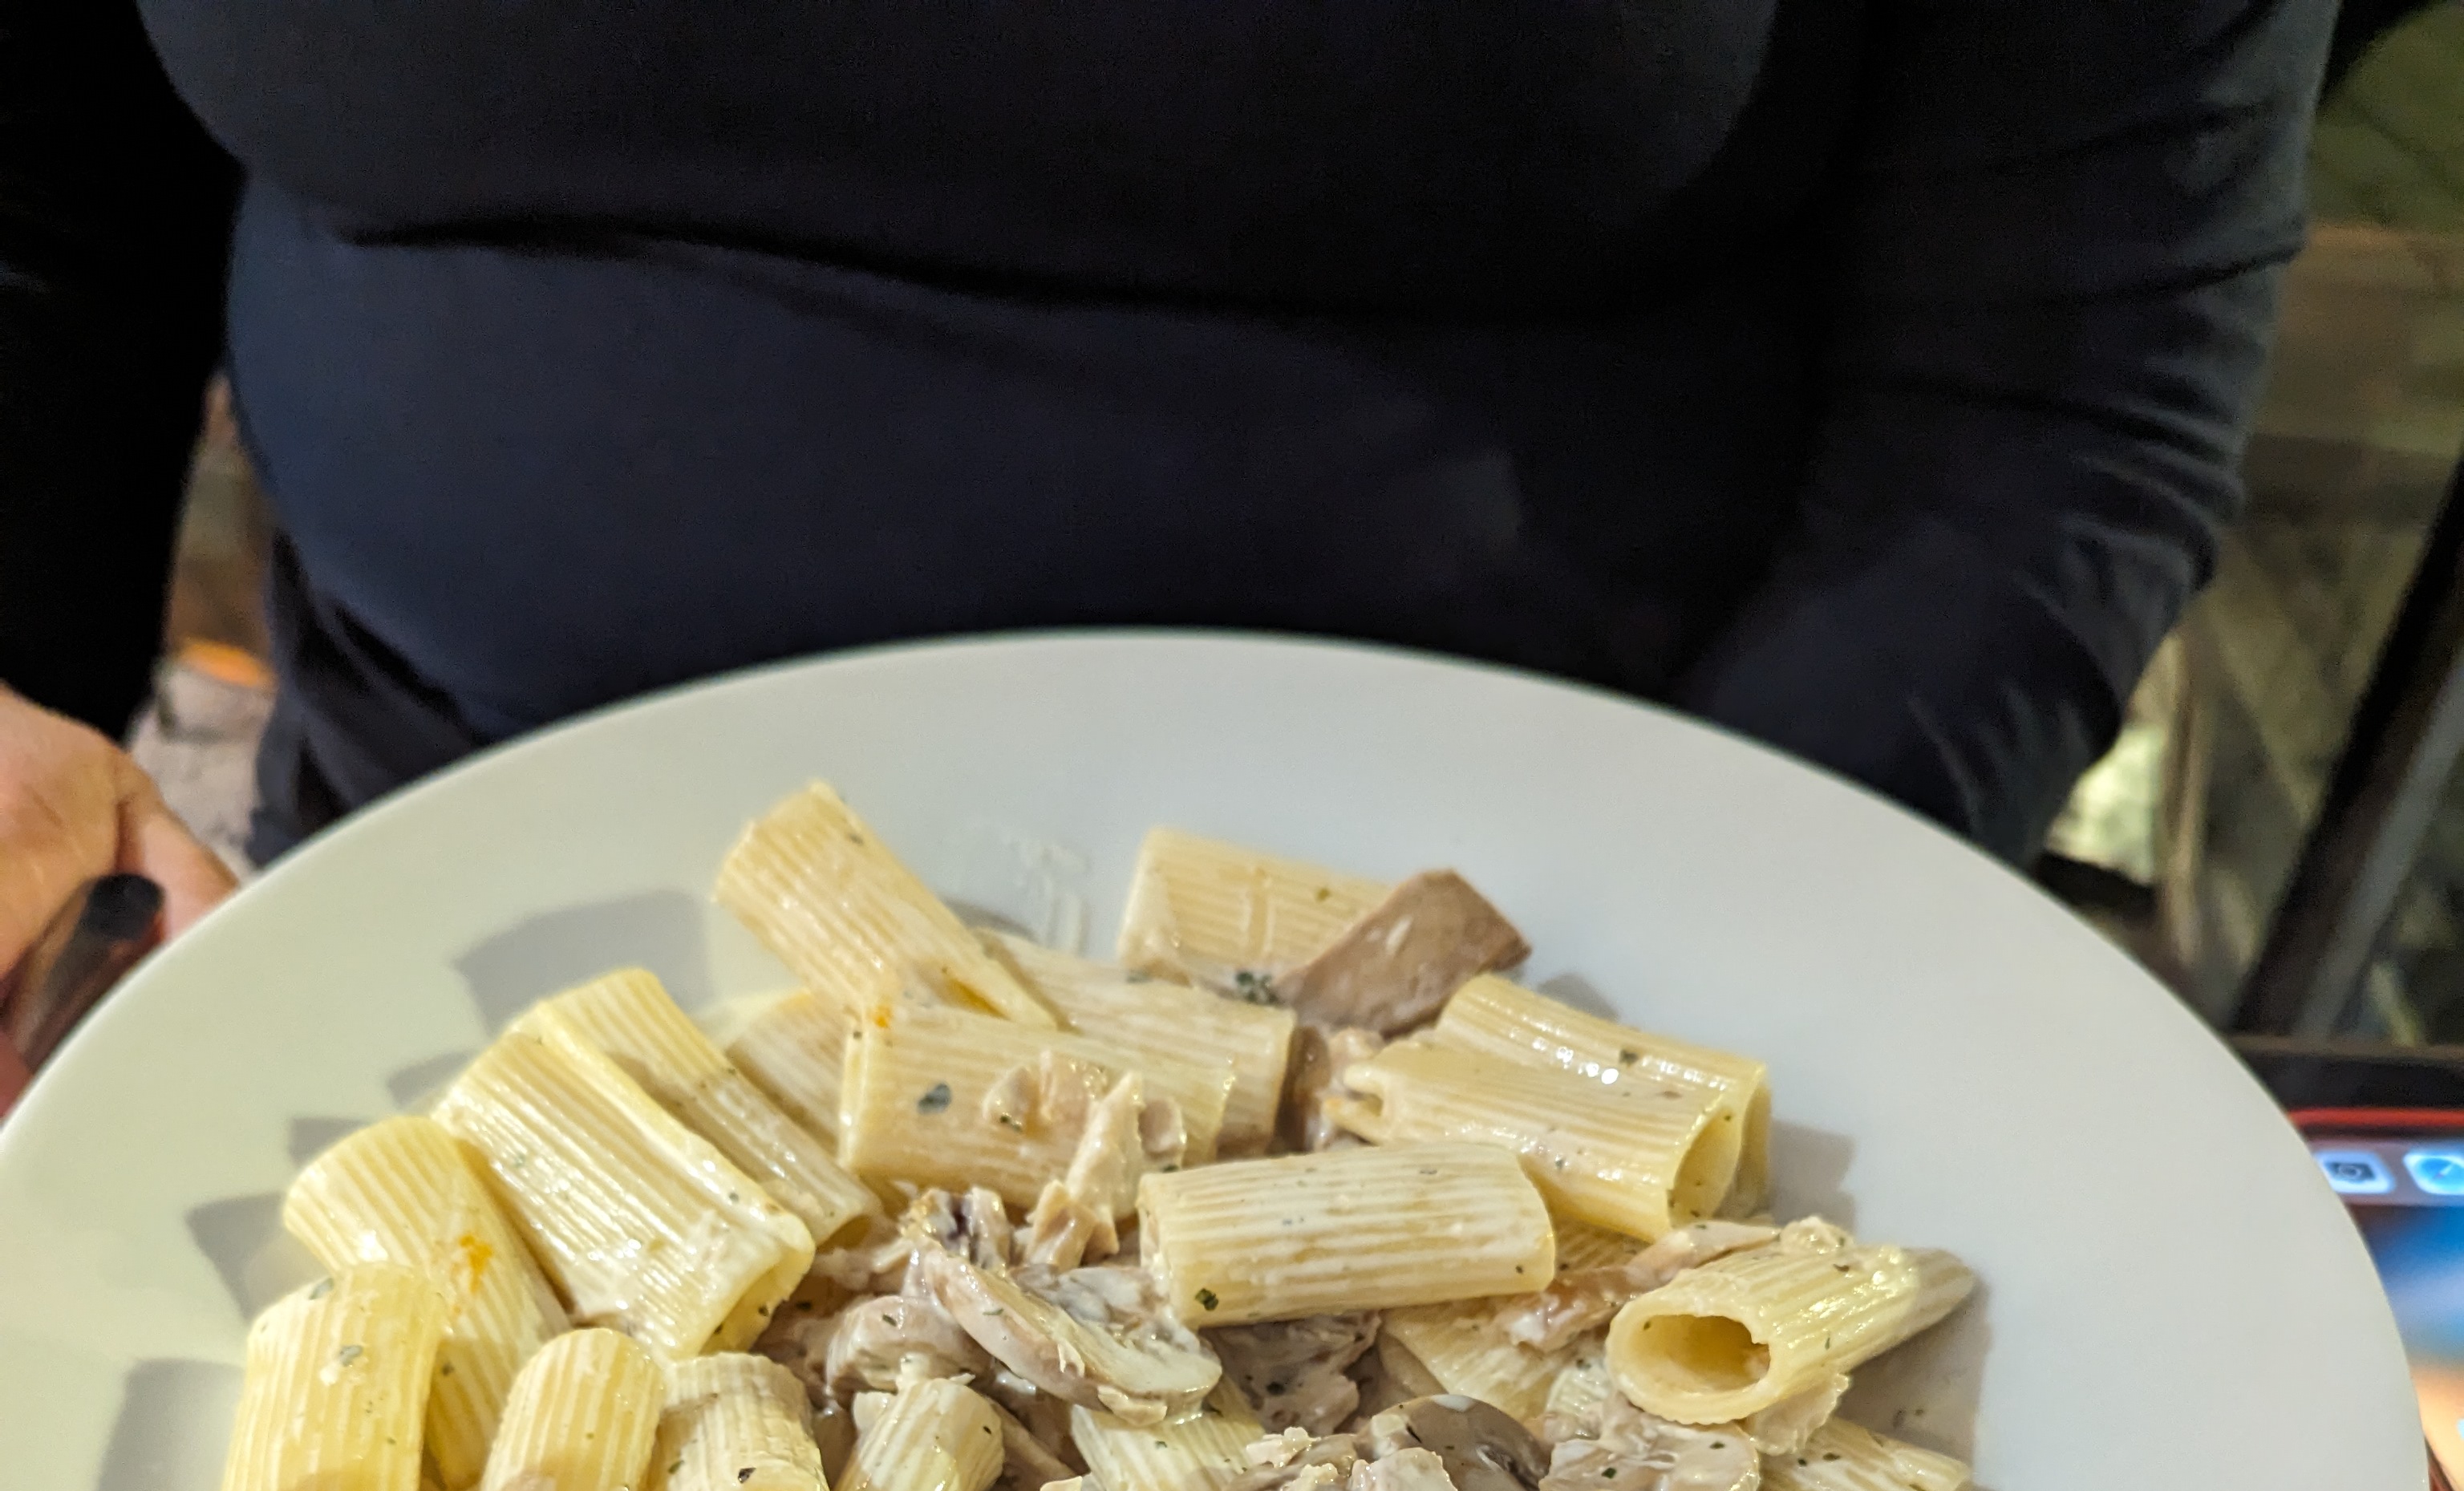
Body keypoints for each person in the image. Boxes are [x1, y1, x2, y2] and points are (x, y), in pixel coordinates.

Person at [0, 0, 2335, 988]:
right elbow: (47, 189)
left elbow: (2048, 397)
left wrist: (1599, 1043)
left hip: (1550, 984)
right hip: (441, 910)